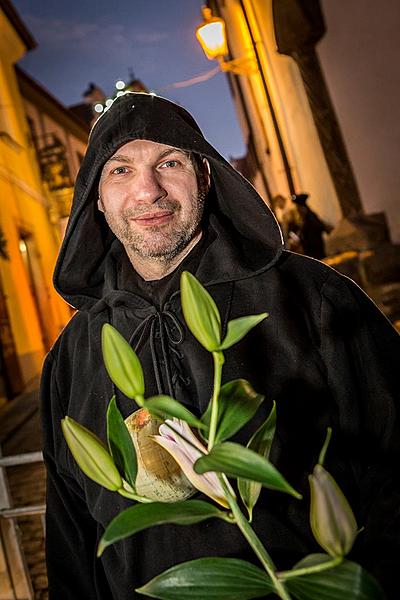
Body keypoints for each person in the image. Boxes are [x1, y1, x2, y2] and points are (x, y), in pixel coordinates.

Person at [40, 92, 399, 599]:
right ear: (95, 198)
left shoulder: (314, 299)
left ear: (205, 177)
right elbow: (72, 534)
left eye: (169, 162)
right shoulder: (72, 357)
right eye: (120, 171)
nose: (148, 190)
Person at [287, 193, 332, 259]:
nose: (298, 211)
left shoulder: (310, 216)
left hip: (316, 250)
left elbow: (319, 227)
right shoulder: (305, 218)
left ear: (302, 208)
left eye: (298, 208)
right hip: (311, 251)